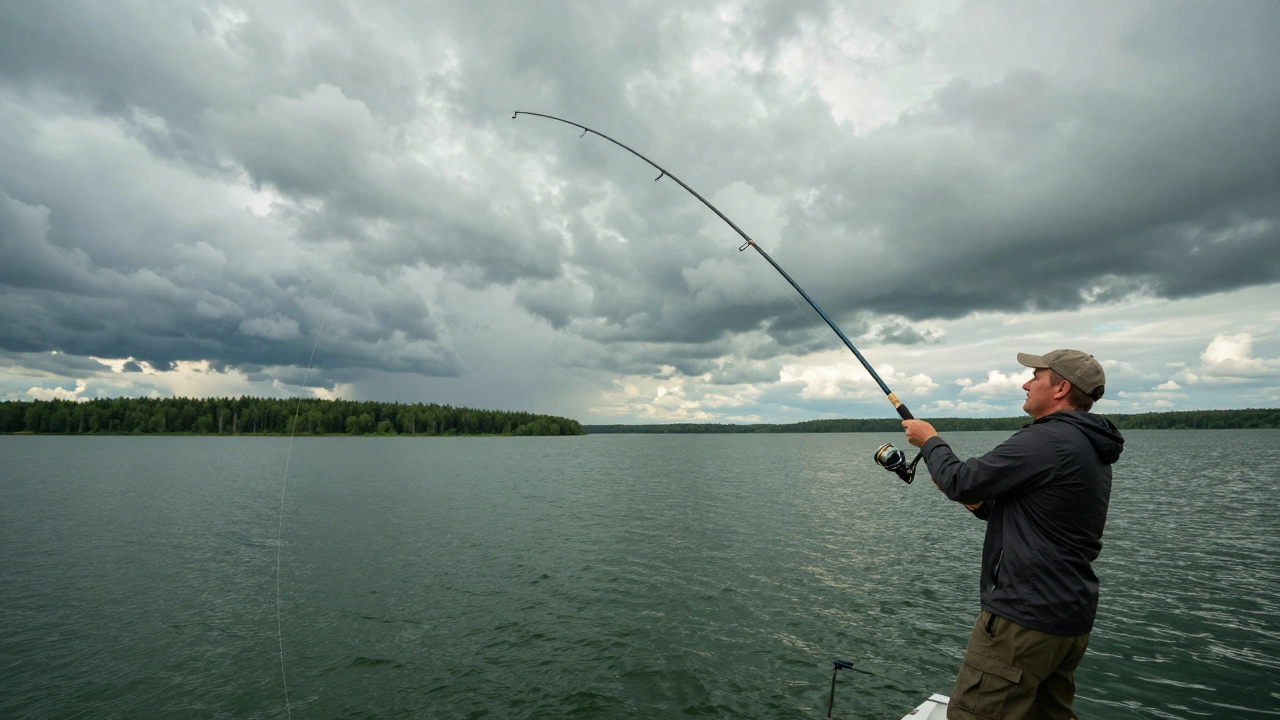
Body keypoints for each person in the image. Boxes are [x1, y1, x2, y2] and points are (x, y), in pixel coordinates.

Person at [901, 349, 1124, 720]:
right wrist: (975, 503)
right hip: (1066, 618)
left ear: (1061, 388)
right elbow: (1035, 519)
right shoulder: (1086, 444)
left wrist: (929, 441)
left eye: (1035, 376)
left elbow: (960, 479)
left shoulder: (1048, 441)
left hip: (1022, 621)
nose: (1025, 383)